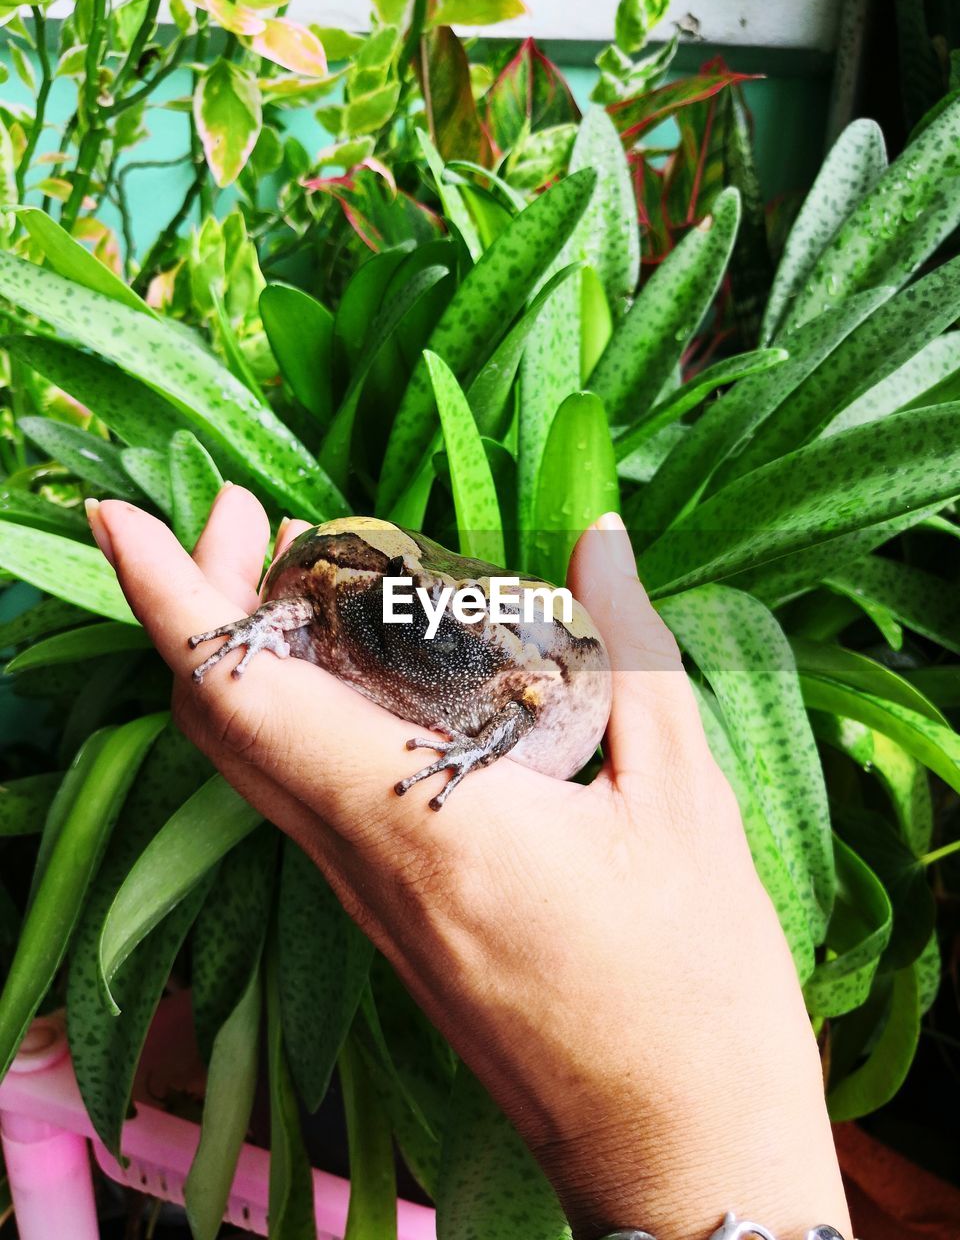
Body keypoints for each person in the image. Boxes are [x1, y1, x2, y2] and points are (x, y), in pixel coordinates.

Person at [85, 487, 853, 1240]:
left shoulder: (500, 635)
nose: (426, 608)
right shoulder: (358, 591)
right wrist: (261, 629)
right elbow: (302, 596)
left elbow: (538, 681)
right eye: (404, 593)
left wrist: (474, 752)